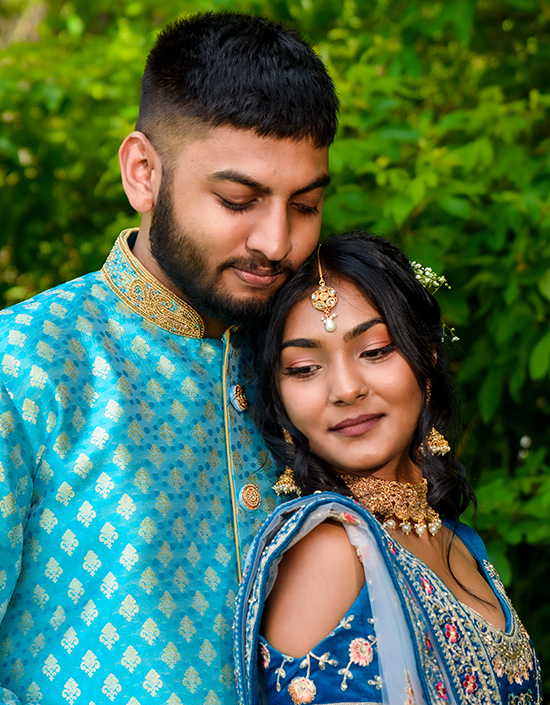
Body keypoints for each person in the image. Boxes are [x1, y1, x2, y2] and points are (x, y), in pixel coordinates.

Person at [0, 12, 338, 704]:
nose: (276, 242)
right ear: (143, 172)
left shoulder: (313, 365)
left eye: (304, 205)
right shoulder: (25, 365)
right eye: (238, 199)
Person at [234, 232, 541, 705]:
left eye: (375, 351)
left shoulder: (456, 540)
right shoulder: (330, 552)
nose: (345, 389)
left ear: (428, 358)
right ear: (279, 400)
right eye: (303, 368)